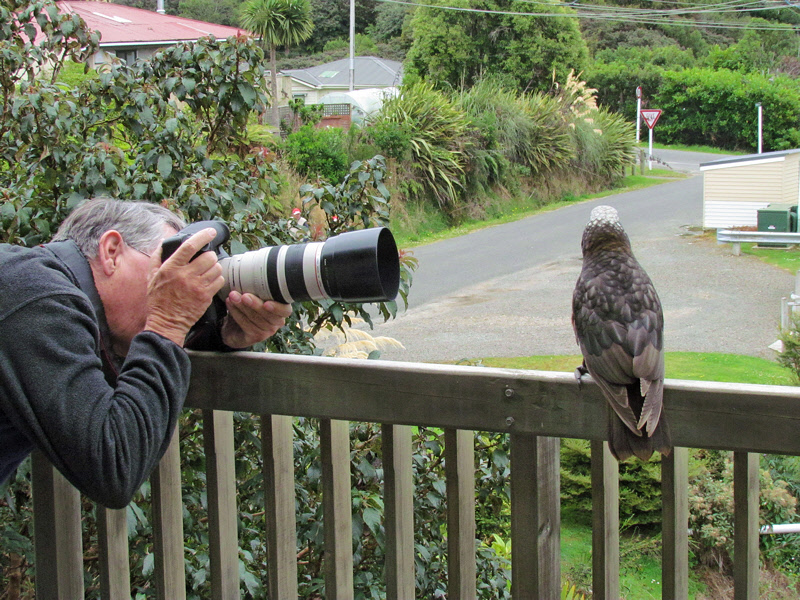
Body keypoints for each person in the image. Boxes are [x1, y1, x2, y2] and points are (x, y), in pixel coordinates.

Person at [0, 198, 292, 508]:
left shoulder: (36, 288)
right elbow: (113, 468)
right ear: (111, 251)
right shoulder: (36, 296)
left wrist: (223, 336)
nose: (171, 288)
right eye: (166, 271)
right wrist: (169, 320)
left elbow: (109, 368)